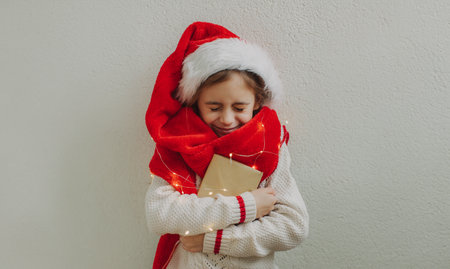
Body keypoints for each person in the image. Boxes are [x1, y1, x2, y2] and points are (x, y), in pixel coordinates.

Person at [145, 22, 309, 269]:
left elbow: (293, 226)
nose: (227, 119)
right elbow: (159, 213)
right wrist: (246, 206)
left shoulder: (269, 144)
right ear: (196, 101)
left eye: (239, 107)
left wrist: (214, 240)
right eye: (214, 107)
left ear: (257, 101)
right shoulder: (178, 143)